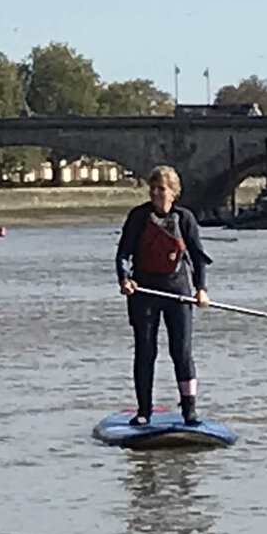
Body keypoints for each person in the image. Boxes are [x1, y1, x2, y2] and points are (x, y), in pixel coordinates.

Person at [114, 165, 210, 425]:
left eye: (162, 189)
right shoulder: (138, 217)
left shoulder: (185, 219)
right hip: (143, 290)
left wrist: (201, 289)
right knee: (145, 351)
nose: (156, 193)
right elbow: (123, 254)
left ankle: (189, 409)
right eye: (153, 188)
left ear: (173, 193)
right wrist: (125, 279)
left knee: (182, 350)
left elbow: (198, 258)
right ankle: (144, 411)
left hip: (177, 289)